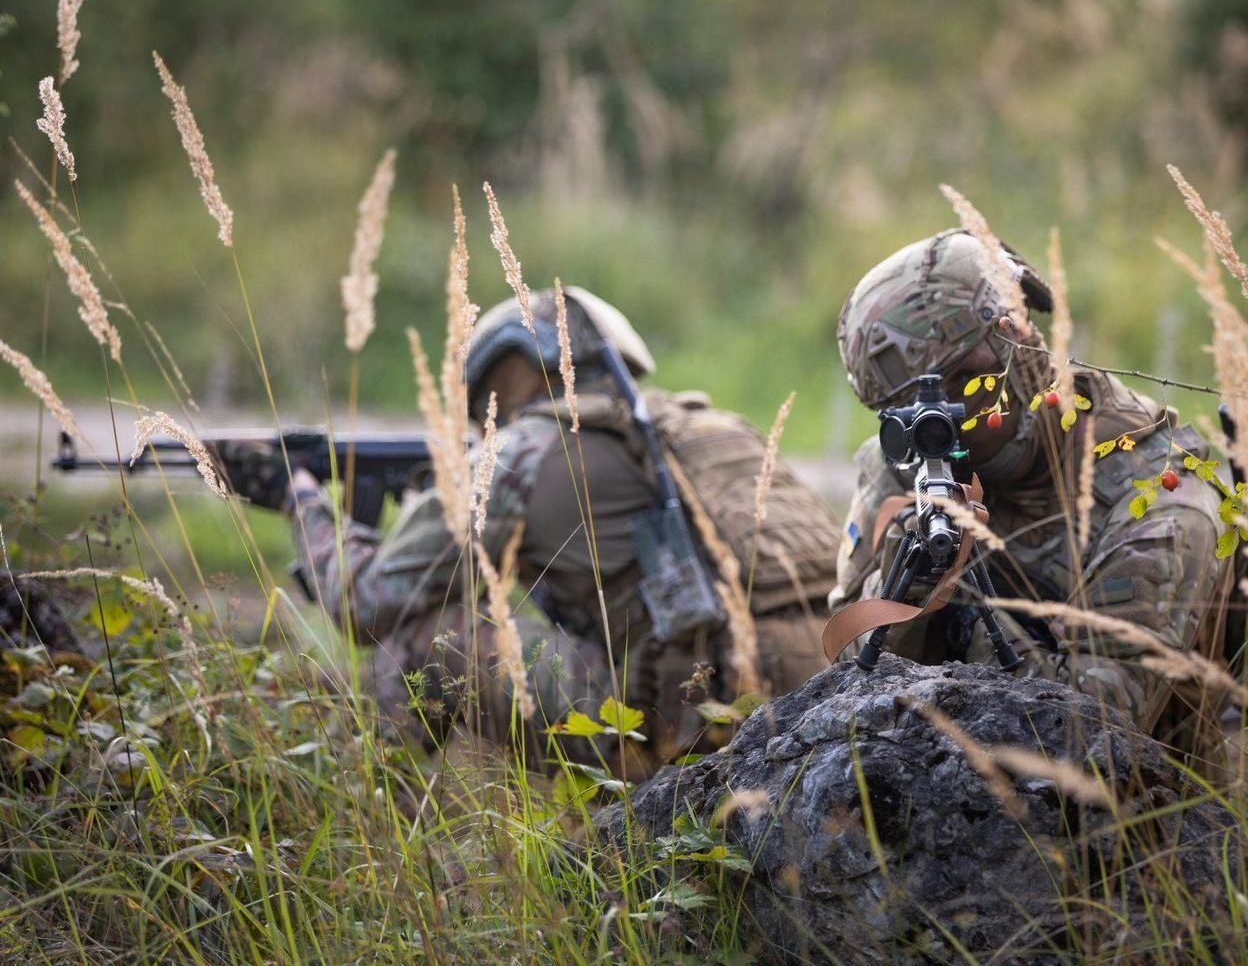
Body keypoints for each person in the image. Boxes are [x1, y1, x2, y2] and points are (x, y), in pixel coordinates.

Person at [276, 286, 841, 774]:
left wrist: (304, 501)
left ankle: (378, 827)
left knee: (415, 640)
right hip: (823, 690)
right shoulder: (709, 426)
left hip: (682, 718)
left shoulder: (520, 452)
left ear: (501, 376)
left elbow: (363, 600)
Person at [829, 228, 1248, 764]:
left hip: (1153, 790)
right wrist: (909, 597)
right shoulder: (909, 458)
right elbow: (844, 681)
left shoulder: (1155, 493)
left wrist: (963, 612)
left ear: (1016, 354)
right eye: (899, 411)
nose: (934, 426)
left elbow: (1095, 730)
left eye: (950, 393)